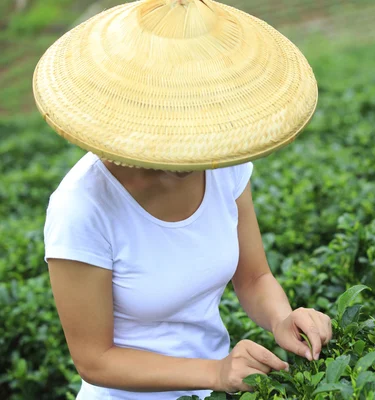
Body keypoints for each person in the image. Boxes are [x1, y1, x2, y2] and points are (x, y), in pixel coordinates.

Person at [33, 0, 329, 399]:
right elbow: (94, 358)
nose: (195, 151)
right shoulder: (82, 206)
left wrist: (282, 318)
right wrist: (215, 371)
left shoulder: (221, 161)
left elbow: (254, 277)